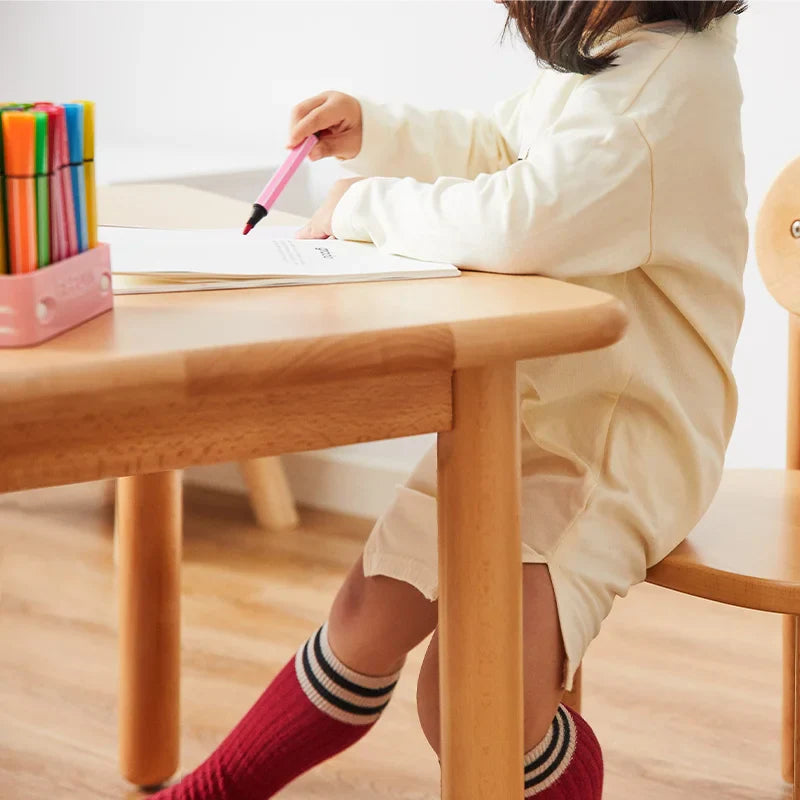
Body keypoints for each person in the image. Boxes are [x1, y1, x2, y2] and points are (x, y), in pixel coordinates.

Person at [152, 2, 748, 797]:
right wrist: (381, 128)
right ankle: (212, 790)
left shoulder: (671, 86)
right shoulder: (619, 52)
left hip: (617, 436)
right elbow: (505, 152)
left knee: (473, 696)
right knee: (366, 613)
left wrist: (363, 207)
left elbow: (526, 220)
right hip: (524, 405)